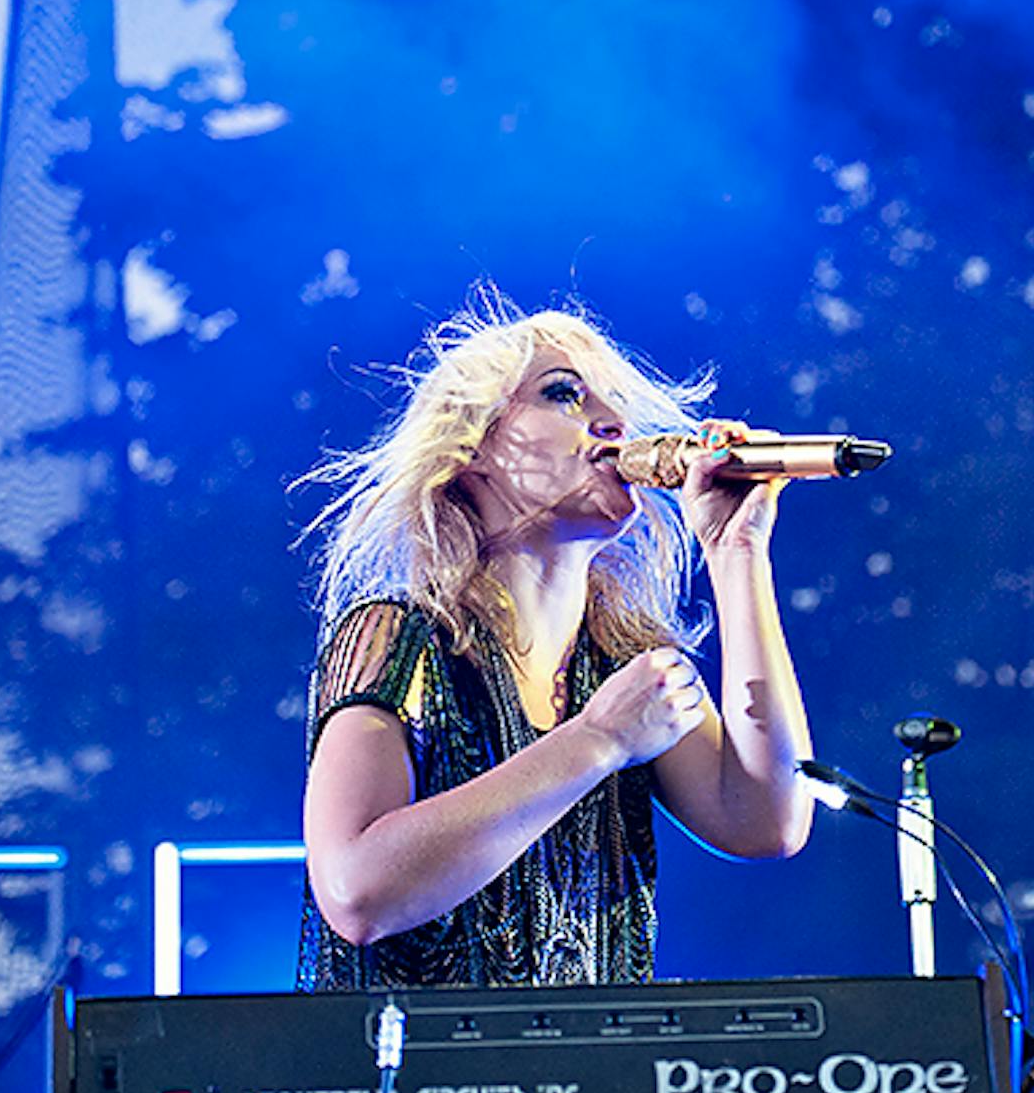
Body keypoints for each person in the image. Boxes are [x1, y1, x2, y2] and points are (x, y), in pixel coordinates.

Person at [293, 295, 813, 990]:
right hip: (415, 1085)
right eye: (563, 394)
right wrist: (596, 743)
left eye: (611, 401)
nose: (611, 421)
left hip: (599, 1086)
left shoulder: (623, 663)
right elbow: (356, 894)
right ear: (472, 451)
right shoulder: (398, 635)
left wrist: (737, 554)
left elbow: (768, 821)